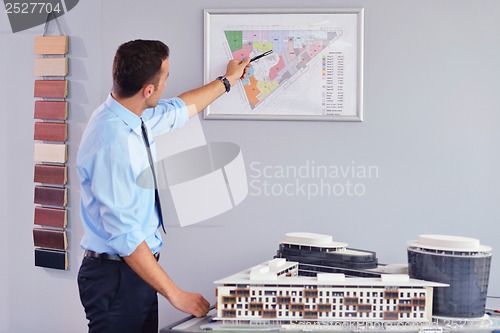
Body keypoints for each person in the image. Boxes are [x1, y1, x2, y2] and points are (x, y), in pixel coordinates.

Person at [76, 39, 250, 333]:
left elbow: (179, 109)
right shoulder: (111, 144)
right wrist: (176, 295)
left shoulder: (130, 116)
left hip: (135, 274)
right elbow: (127, 238)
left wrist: (228, 80)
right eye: (165, 78)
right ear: (148, 90)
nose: (167, 83)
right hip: (116, 277)